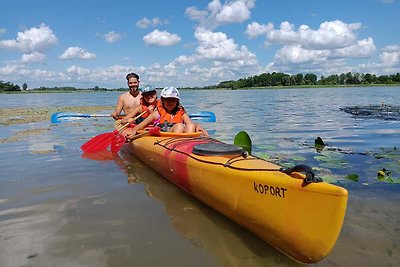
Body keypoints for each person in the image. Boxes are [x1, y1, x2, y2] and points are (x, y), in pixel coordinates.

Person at [125, 87, 208, 138]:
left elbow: (190, 123)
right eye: (167, 100)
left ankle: (189, 147)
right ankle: (177, 150)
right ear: (162, 101)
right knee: (179, 126)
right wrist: (134, 130)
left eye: (173, 100)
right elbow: (141, 125)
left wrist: (197, 126)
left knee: (191, 125)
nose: (170, 102)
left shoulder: (182, 113)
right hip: (166, 138)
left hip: (182, 140)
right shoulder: (156, 114)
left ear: (177, 102)